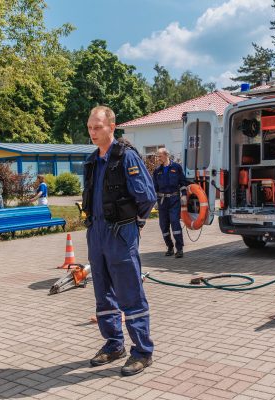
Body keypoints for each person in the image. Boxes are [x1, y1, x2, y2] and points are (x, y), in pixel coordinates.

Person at [82, 105, 156, 376]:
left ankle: (142, 351)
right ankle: (114, 344)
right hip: (97, 234)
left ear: (112, 127)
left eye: (97, 127)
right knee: (103, 293)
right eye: (90, 127)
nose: (92, 131)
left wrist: (135, 224)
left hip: (120, 234)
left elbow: (147, 197)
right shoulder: (91, 161)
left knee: (130, 294)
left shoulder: (126, 157)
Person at [152, 148, 188, 258]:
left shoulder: (176, 168)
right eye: (157, 156)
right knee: (163, 225)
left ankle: (180, 249)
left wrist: (184, 194)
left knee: (175, 222)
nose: (158, 158)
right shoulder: (157, 171)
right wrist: (155, 201)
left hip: (174, 199)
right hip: (162, 201)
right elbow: (154, 187)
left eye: (160, 156)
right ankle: (170, 247)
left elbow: (182, 182)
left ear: (166, 155)